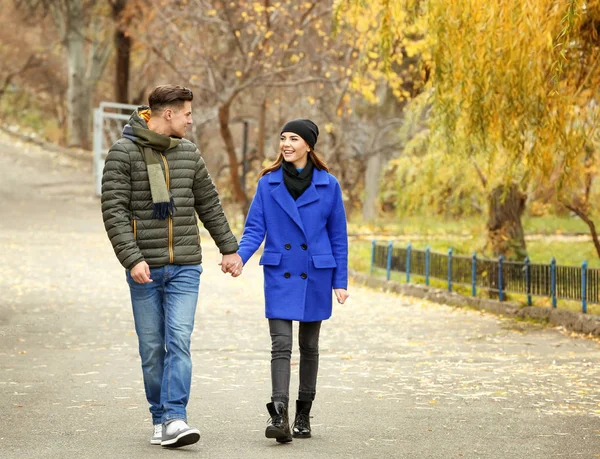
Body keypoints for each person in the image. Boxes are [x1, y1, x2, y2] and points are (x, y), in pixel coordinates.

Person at [101, 85, 239, 448]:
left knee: (178, 339)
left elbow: (208, 203)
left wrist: (229, 249)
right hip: (144, 267)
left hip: (185, 267)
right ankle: (159, 418)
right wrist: (132, 258)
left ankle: (176, 417)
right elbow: (113, 212)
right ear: (168, 114)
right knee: (151, 348)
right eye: (187, 114)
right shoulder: (123, 153)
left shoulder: (189, 154)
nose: (191, 120)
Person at [227, 119, 349, 443]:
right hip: (280, 271)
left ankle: (303, 414)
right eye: (283, 138)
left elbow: (338, 236)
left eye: (294, 138)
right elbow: (255, 228)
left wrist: (341, 280)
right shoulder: (268, 184)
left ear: (308, 145)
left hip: (316, 273)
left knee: (309, 346)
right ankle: (278, 412)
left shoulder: (329, 185)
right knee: (281, 344)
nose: (286, 144)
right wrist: (240, 256)